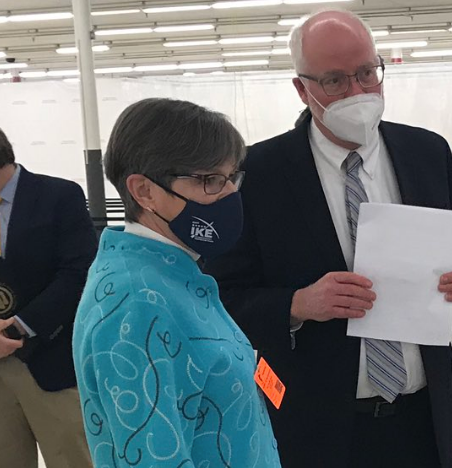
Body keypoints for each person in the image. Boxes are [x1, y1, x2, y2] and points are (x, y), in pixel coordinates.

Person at [204, 9, 452, 468]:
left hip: (430, 419)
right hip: (319, 427)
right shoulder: (257, 175)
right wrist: (297, 304)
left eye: (366, 73)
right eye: (335, 81)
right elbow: (219, 298)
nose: (358, 92)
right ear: (302, 88)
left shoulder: (428, 152)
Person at [72, 98, 282, 468]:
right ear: (145, 191)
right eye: (210, 180)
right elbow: (153, 456)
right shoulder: (137, 304)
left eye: (233, 177)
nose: (230, 194)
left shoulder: (174, 275)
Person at [0, 128, 97, 467]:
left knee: (73, 458)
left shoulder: (59, 195)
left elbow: (78, 272)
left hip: (49, 358)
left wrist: (18, 329)